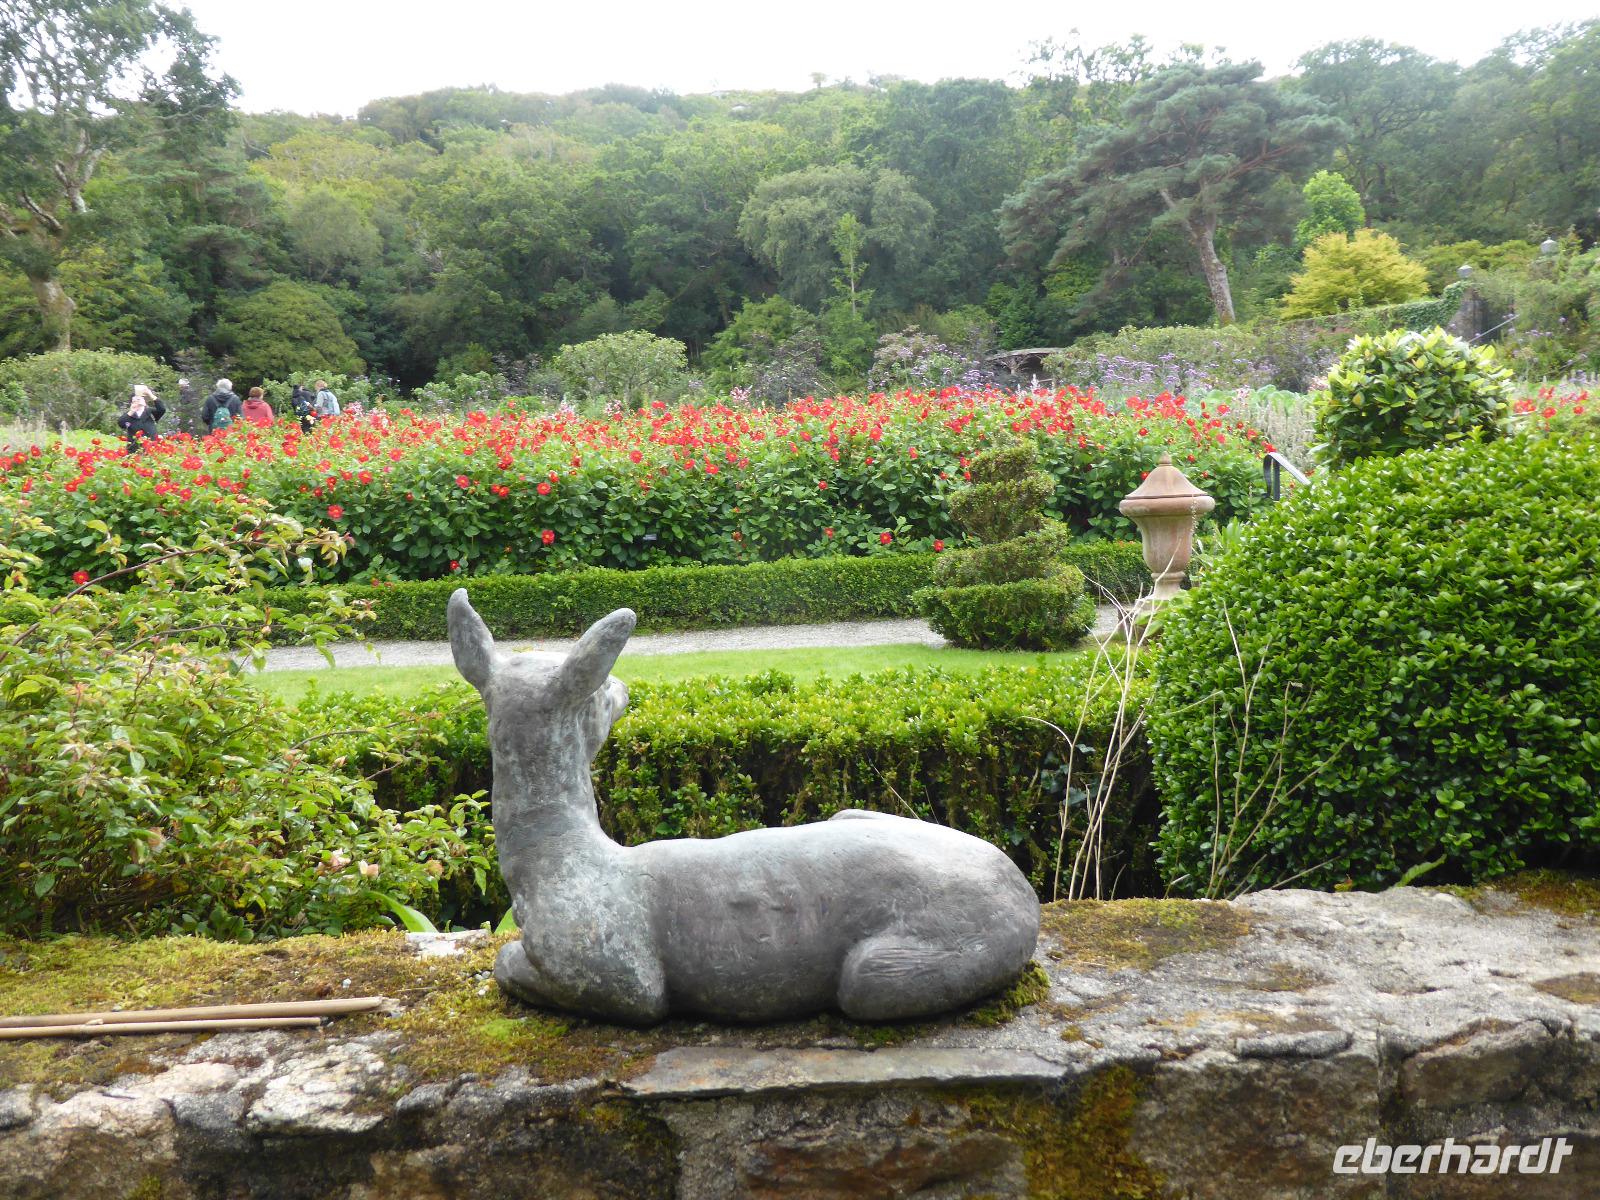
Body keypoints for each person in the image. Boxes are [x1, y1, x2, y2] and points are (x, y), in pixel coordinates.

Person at [117, 385, 166, 454]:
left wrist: (150, 395)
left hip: (151, 450)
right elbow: (121, 423)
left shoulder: (150, 412)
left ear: (145, 402)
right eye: (135, 400)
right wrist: (132, 411)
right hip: (134, 451)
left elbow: (162, 409)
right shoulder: (129, 415)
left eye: (140, 399)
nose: (138, 401)